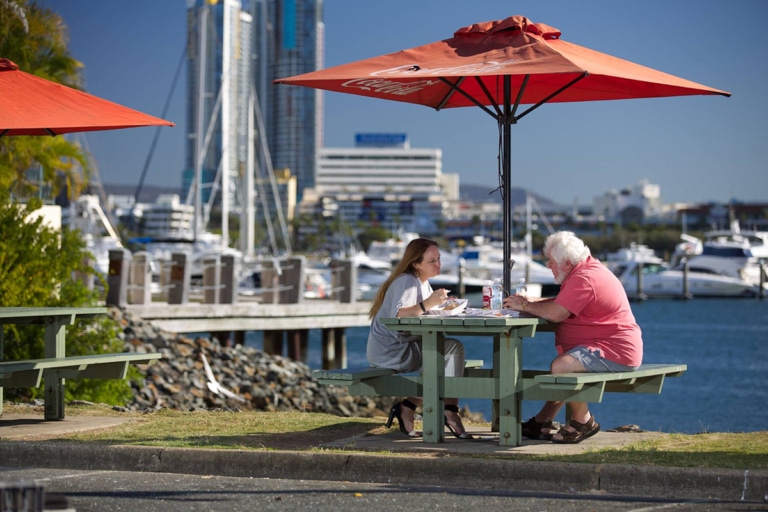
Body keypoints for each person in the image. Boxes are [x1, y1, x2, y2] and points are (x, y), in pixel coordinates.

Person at [503, 231, 643, 444]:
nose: (548, 266)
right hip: (611, 347)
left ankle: (583, 421)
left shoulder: (584, 277)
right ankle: (543, 420)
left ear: (566, 263)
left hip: (615, 351)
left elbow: (557, 313)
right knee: (565, 369)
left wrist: (525, 305)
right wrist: (534, 301)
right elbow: (565, 301)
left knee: (562, 368)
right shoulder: (586, 270)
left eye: (550, 261)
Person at [367, 238, 472, 439]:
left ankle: (413, 407)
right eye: (431, 261)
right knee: (449, 350)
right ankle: (447, 410)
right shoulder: (406, 281)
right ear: (415, 263)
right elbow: (398, 316)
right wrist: (427, 304)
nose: (438, 264)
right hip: (390, 350)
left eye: (439, 259)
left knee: (448, 349)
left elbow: (421, 314)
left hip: (404, 346)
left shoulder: (421, 282)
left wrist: (440, 305)